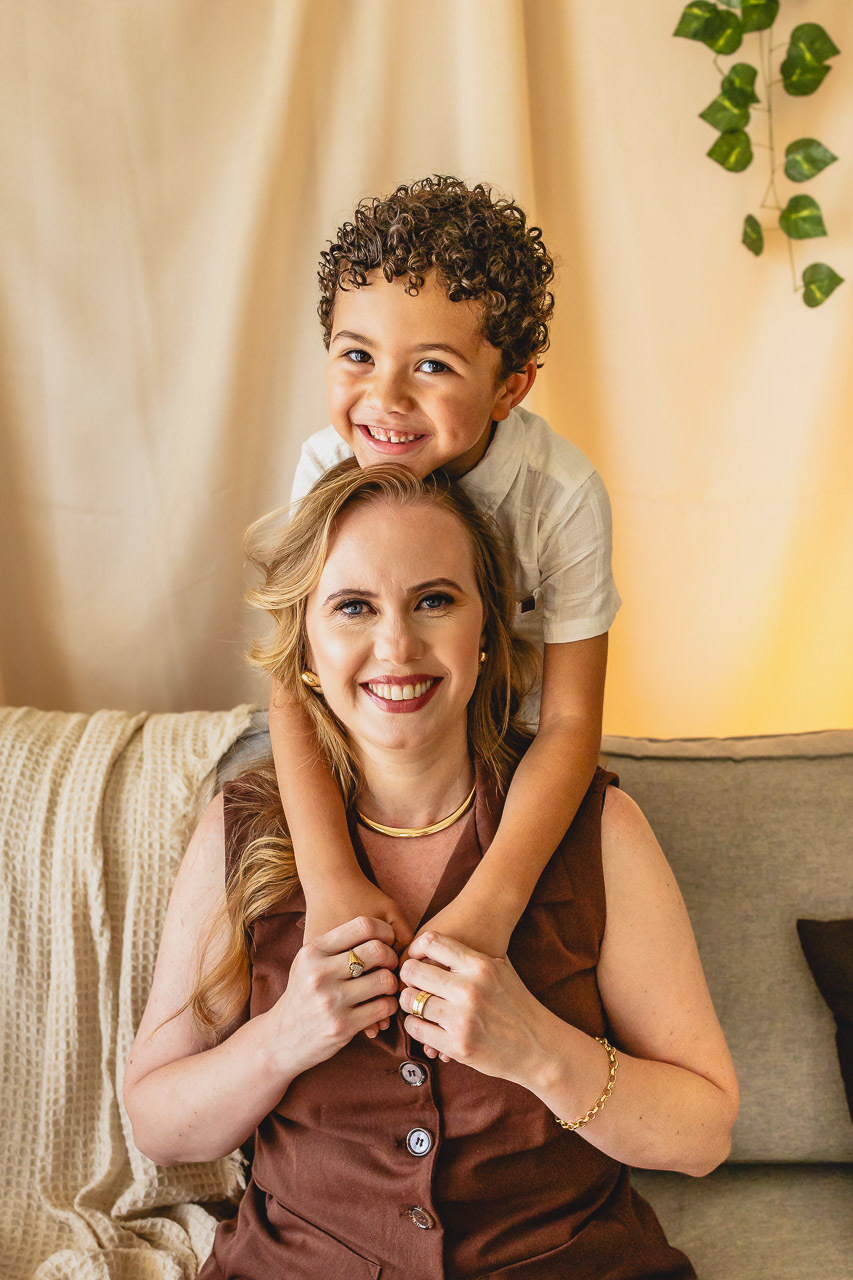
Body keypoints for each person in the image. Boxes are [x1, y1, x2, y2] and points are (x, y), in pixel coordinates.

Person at [124, 461, 738, 1280]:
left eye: (434, 600)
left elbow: (703, 1135)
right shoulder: (243, 832)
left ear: (485, 630)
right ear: (304, 648)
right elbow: (158, 1124)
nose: (397, 646)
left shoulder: (600, 828)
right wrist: (281, 1040)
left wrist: (538, 1051)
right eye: (353, 607)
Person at [270, 175, 621, 969]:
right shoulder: (326, 464)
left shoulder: (561, 497)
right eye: (357, 354)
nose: (383, 398)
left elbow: (569, 724)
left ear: (511, 386)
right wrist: (328, 880)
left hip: (503, 768)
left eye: (430, 366)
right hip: (364, 756)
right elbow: (292, 679)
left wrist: (489, 907)